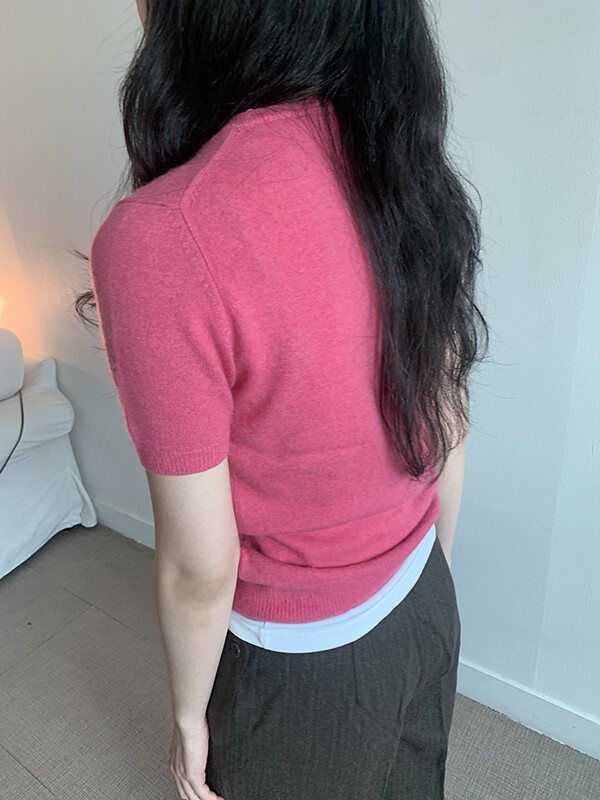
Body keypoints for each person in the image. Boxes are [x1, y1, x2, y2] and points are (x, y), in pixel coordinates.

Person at [75, 0, 490, 797]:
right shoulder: (397, 159)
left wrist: (189, 718)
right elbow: (449, 415)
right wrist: (423, 583)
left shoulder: (162, 235)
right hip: (425, 597)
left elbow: (201, 564)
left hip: (305, 668)